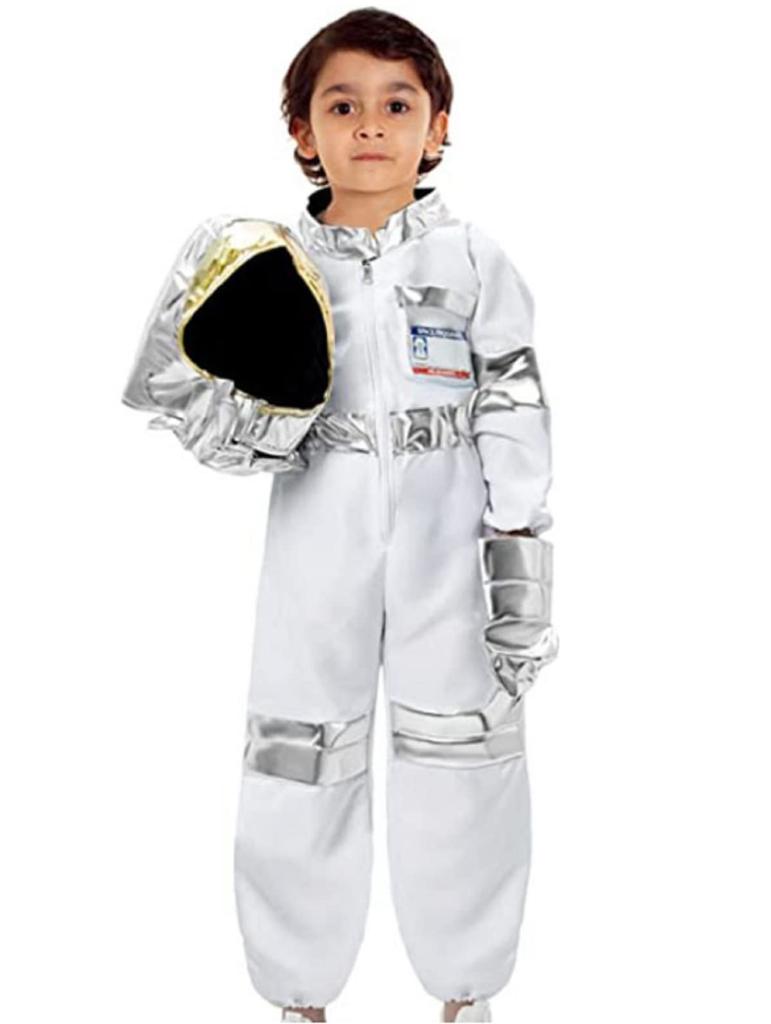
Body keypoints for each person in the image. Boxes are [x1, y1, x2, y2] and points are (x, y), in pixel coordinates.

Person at [233, 8, 557, 1022]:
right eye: (342, 106)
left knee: (463, 746)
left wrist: (520, 559)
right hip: (316, 530)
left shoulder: (471, 259)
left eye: (397, 104)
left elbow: (514, 402)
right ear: (302, 130)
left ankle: (466, 987)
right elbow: (225, 412)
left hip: (444, 538)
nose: (370, 125)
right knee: (300, 745)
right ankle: (297, 990)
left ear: (436, 125)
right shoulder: (272, 266)